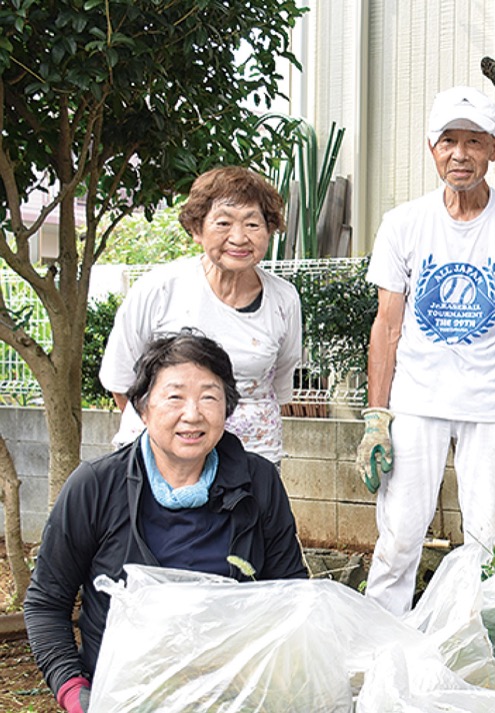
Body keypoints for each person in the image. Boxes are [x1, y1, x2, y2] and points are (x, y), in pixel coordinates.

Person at [25, 330, 307, 713]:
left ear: (227, 408)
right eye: (174, 397)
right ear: (142, 408)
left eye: (209, 396)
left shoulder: (258, 482)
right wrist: (75, 692)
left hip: (231, 694)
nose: (192, 414)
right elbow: (46, 602)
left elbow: (289, 592)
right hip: (123, 695)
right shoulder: (96, 485)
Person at [356, 86, 495, 617]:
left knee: (490, 540)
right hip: (417, 402)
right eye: (449, 141)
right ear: (432, 148)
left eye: (473, 141)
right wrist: (377, 416)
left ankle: (479, 644)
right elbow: (388, 325)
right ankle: (378, 644)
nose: (460, 154)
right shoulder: (404, 223)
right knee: (398, 538)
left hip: (490, 406)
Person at [100, 166, 302, 466]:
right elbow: (121, 380)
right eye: (223, 223)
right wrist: (169, 439)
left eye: (252, 224)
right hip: (162, 462)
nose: (239, 237)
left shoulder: (284, 299)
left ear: (269, 230)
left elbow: (280, 381)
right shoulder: (159, 289)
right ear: (197, 229)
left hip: (251, 459)